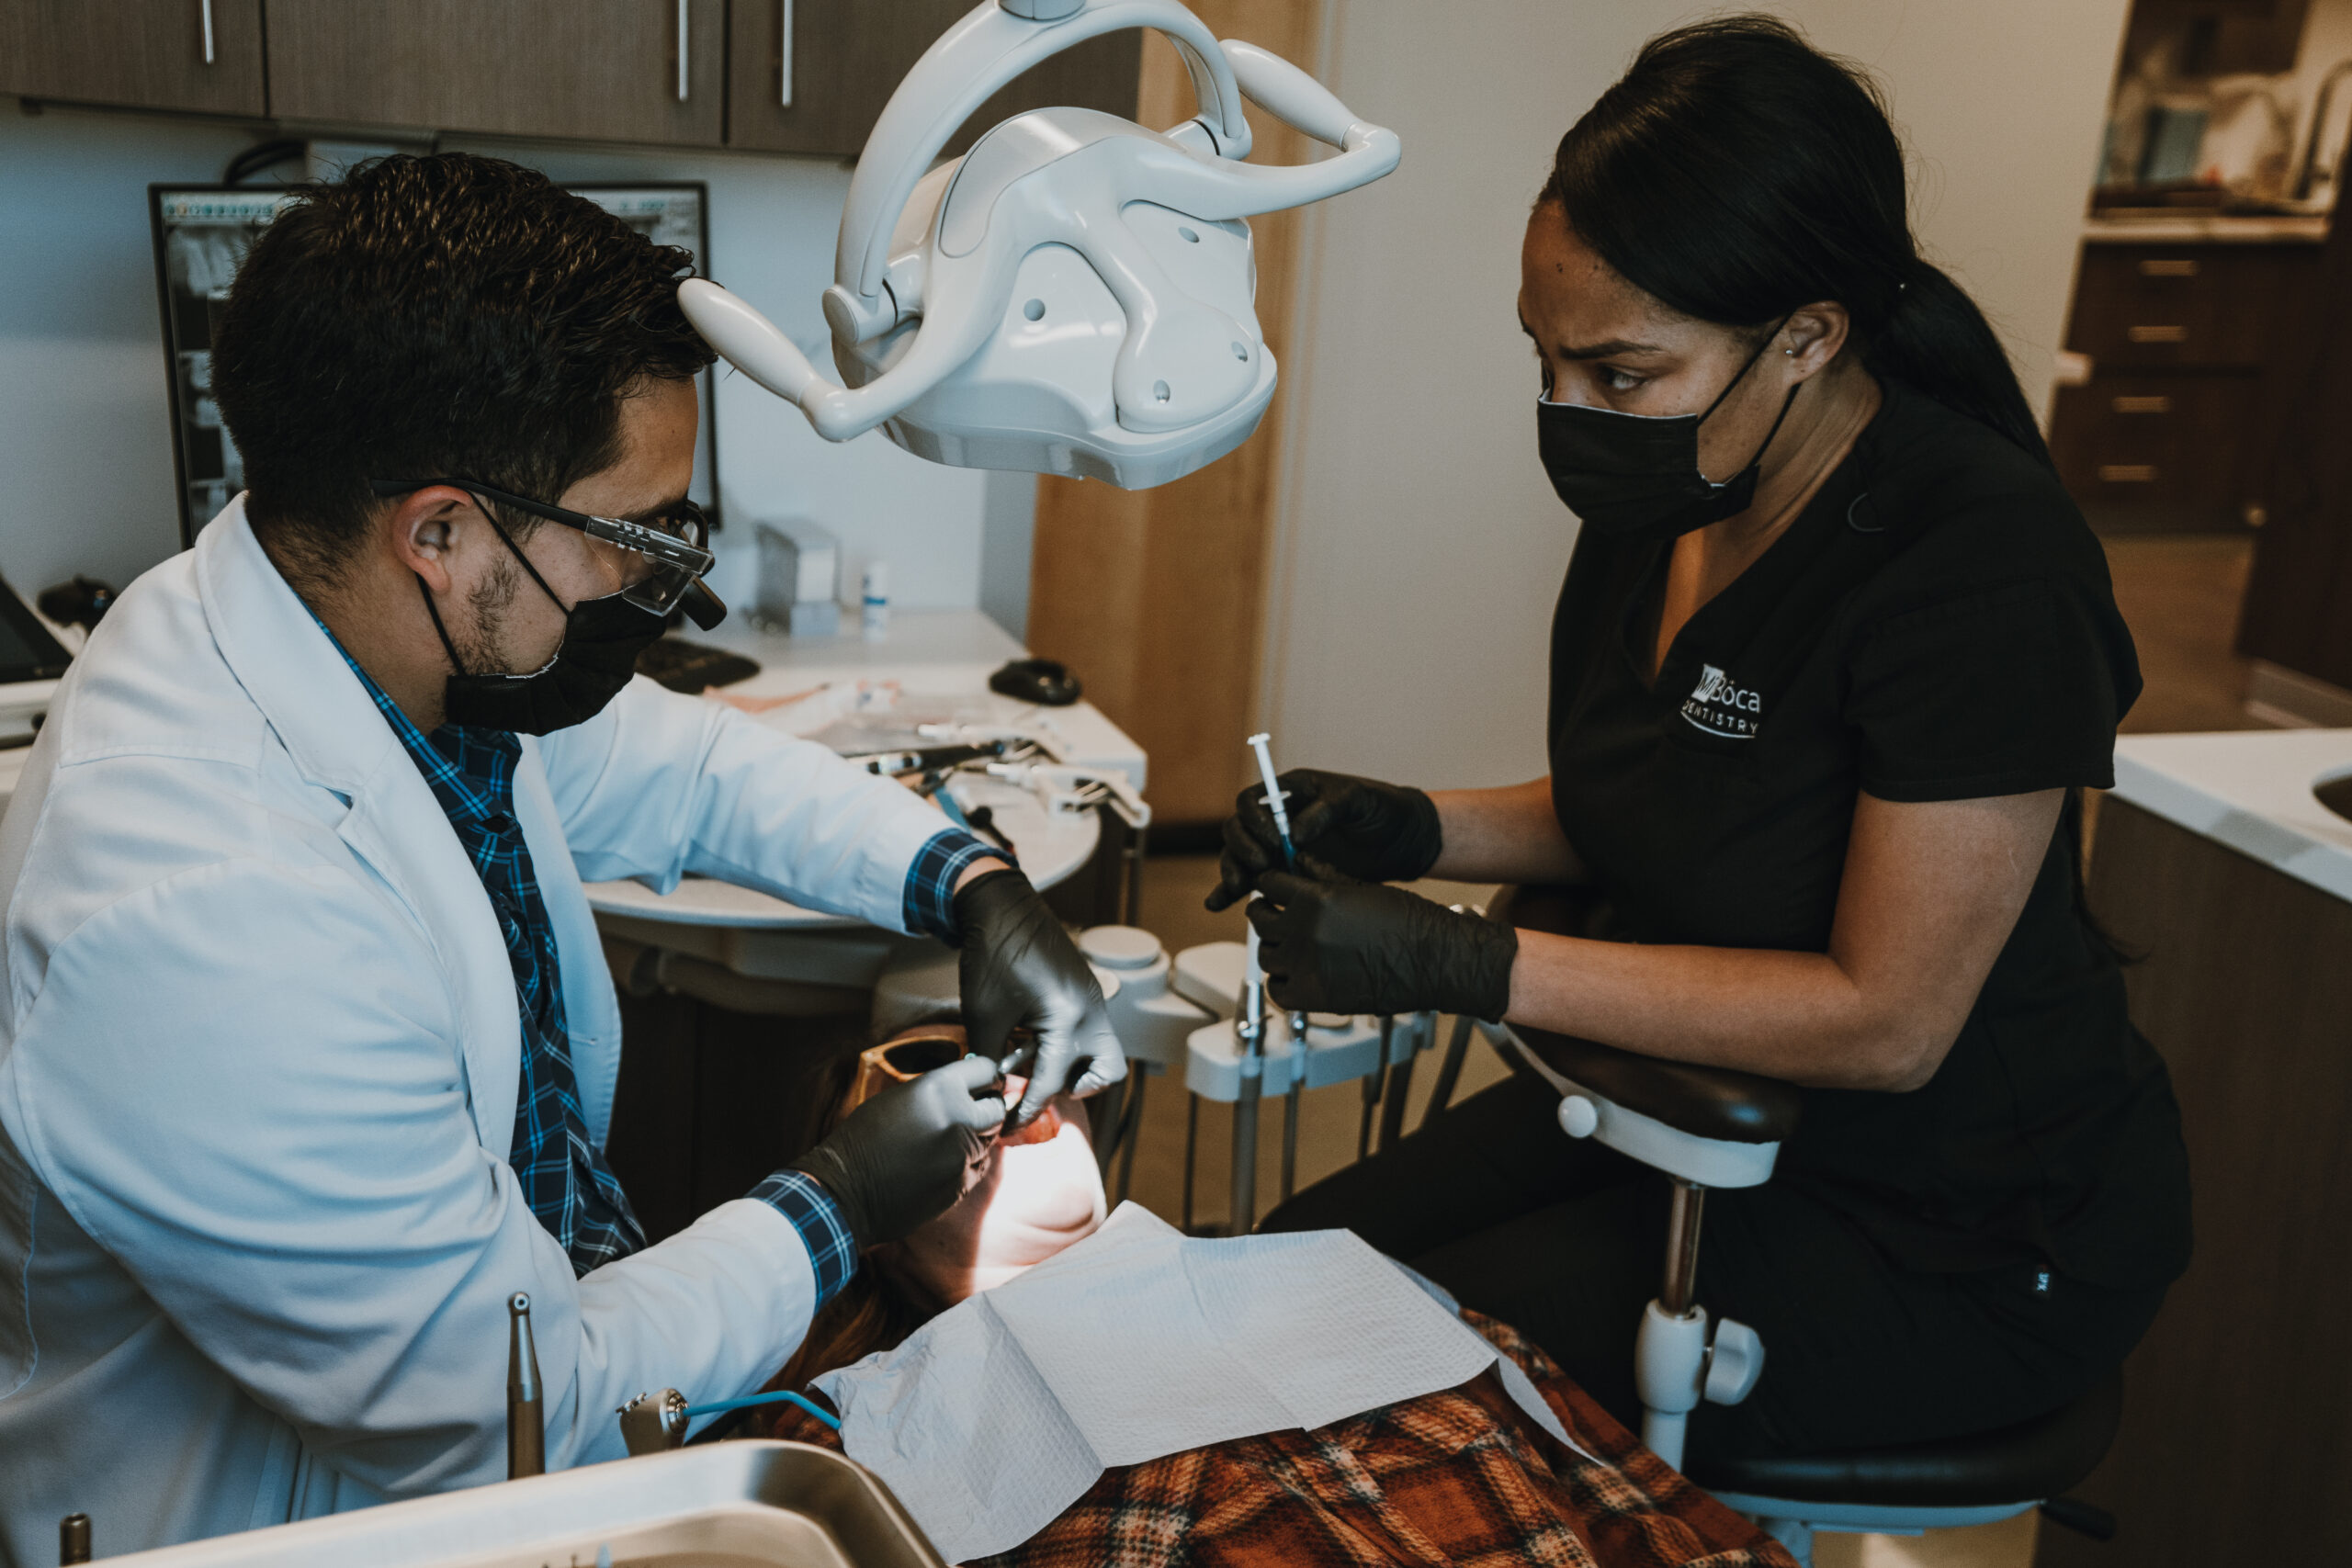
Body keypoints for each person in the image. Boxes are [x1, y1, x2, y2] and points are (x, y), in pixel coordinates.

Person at [0, 152, 1121, 1562]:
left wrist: (965, 878)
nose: (662, 584)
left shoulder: (359, 626)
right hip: (343, 1520)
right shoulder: (203, 910)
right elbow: (511, 1412)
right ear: (441, 532)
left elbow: (687, 769)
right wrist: (837, 1204)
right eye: (631, 536)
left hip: (546, 1353)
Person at [1216, 18, 2190, 1463]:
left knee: (1393, 1391)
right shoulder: (1673, 489)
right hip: (1683, 1109)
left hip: (1949, 1226)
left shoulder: (1982, 567)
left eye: (1620, 373)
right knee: (1269, 1281)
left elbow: (1886, 1018)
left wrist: (1457, 959)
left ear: (1807, 336)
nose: (1569, 414)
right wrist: (1414, 823)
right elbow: (1673, 801)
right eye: (1546, 360)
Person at [751, 1029, 1797, 1568]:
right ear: (871, 1220)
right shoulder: (859, 1426)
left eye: (1018, 1058)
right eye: (932, 1082)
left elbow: (1617, 1497)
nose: (1008, 1092)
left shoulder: (1323, 1270)